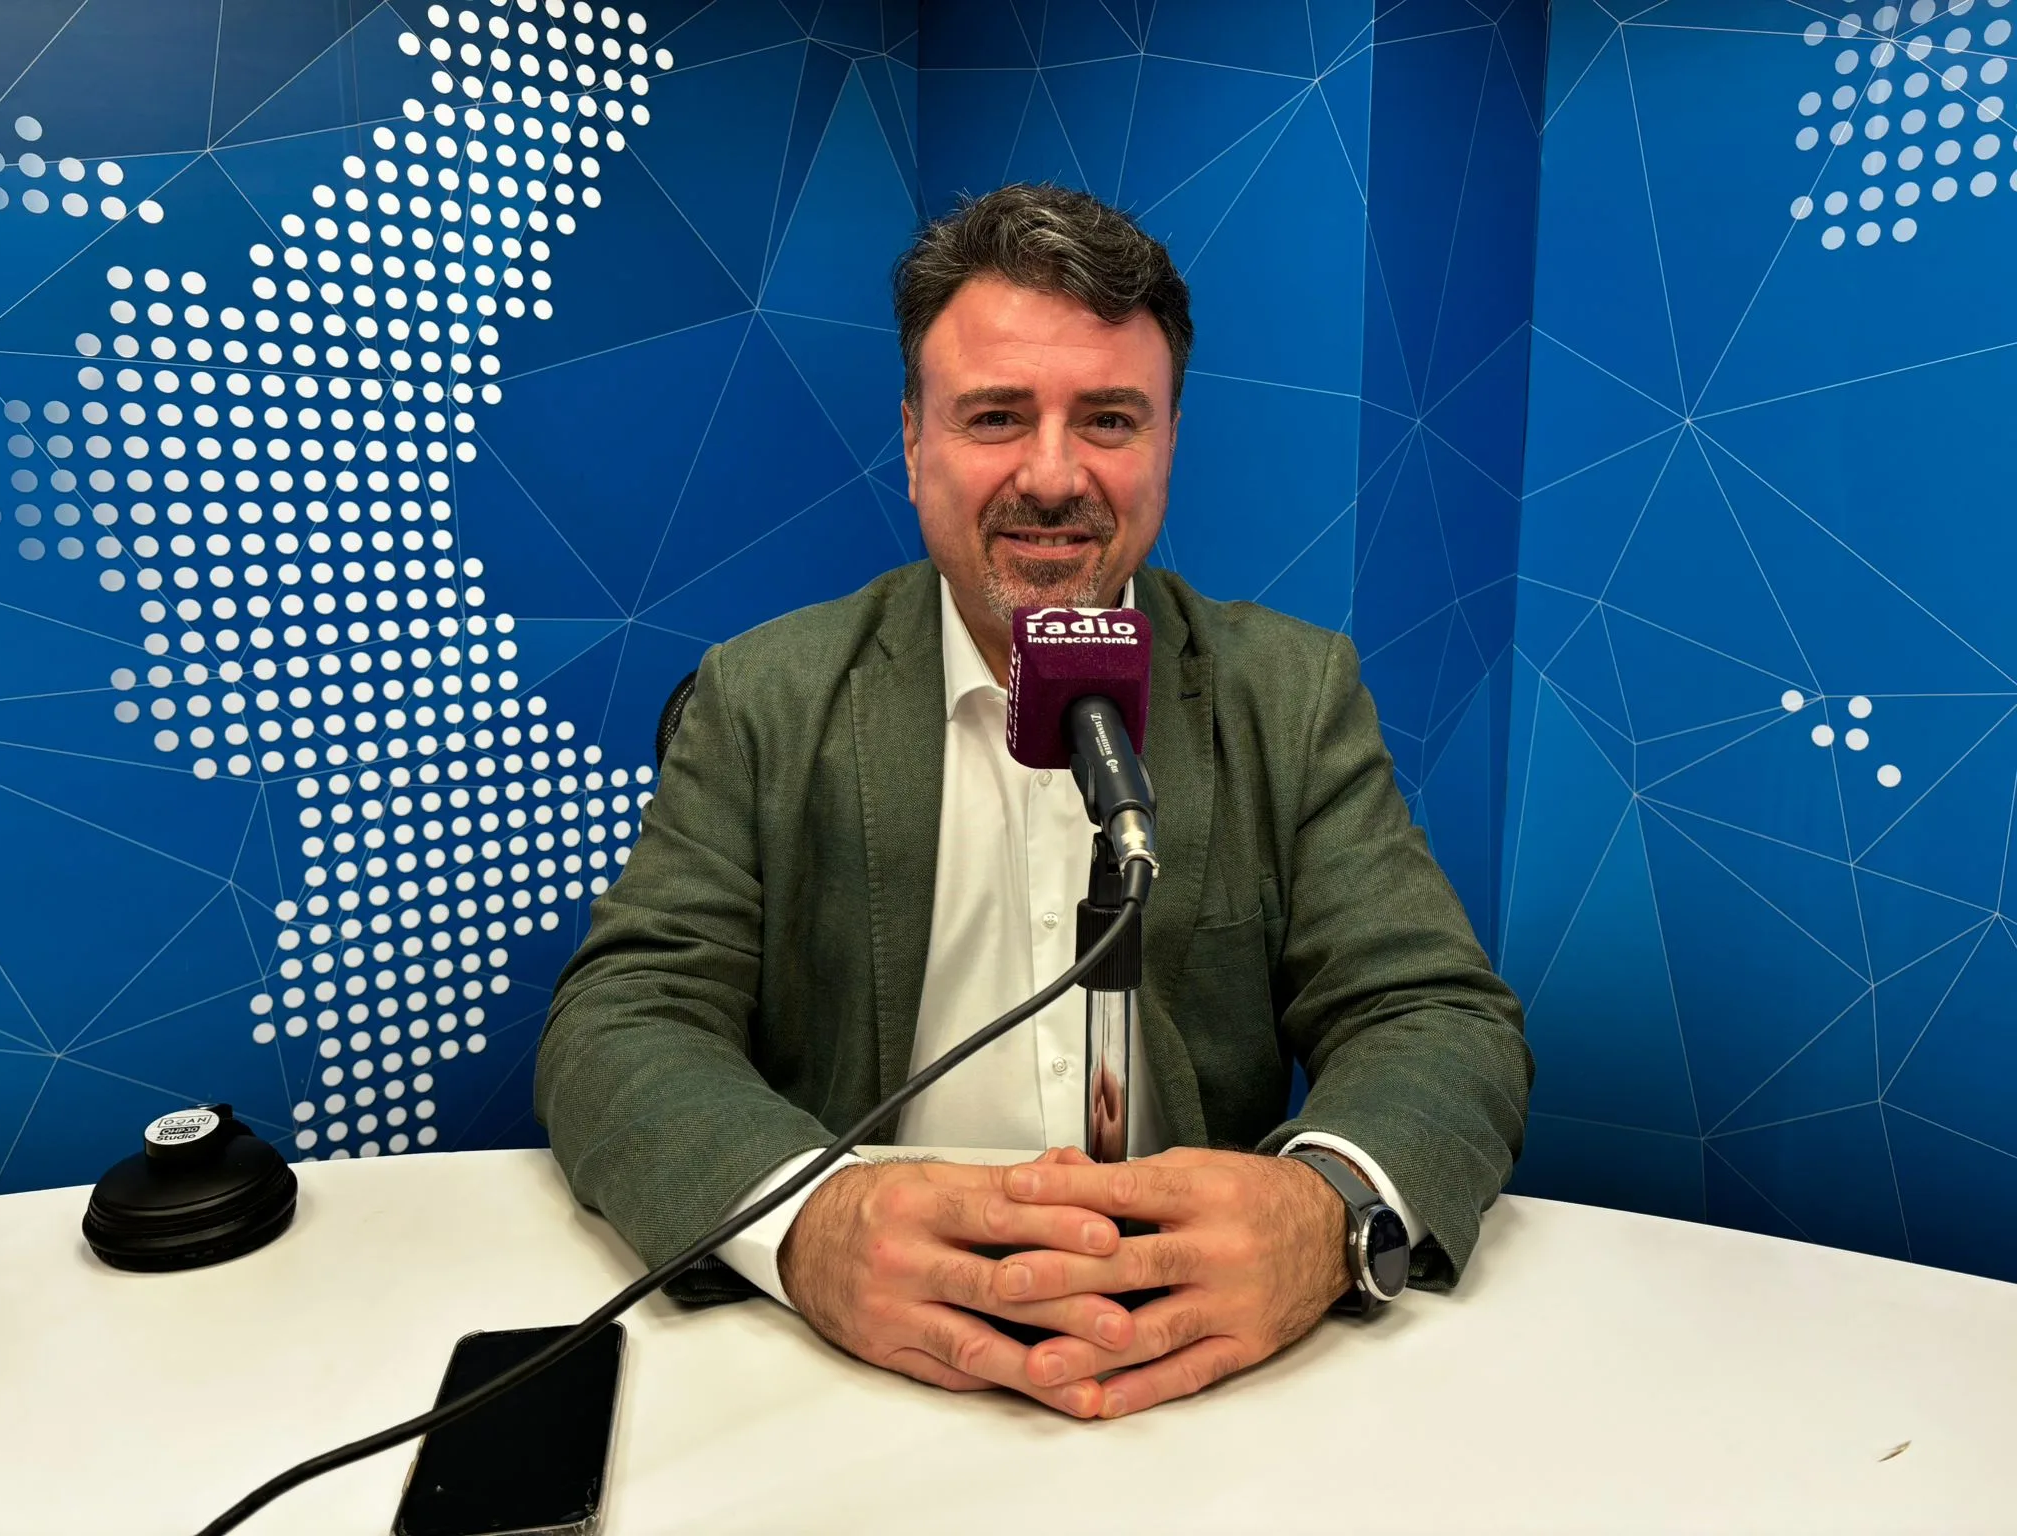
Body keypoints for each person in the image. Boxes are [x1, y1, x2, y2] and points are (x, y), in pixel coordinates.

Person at [536, 183, 1531, 1421]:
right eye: (996, 416)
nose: (1052, 477)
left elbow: (1432, 1015)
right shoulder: (761, 696)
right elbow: (623, 1018)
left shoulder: (1290, 694)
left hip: (1207, 1374)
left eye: (1108, 419)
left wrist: (1321, 1207)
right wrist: (806, 1222)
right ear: (914, 442)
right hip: (848, 1370)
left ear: (1167, 444)